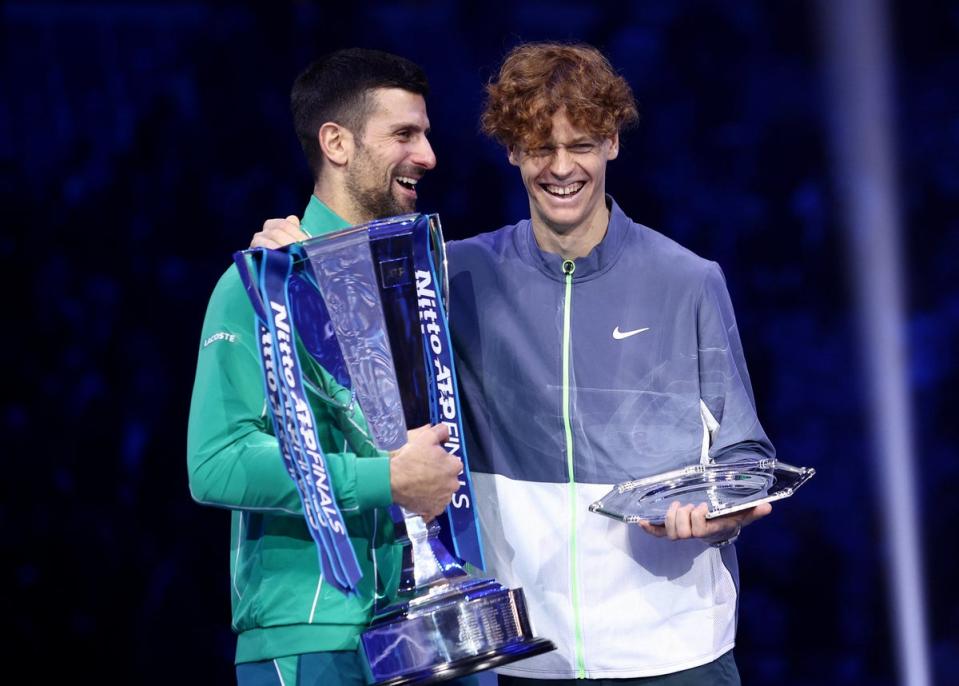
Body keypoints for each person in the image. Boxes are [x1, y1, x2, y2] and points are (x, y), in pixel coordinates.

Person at [255, 42, 775, 686]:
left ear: (612, 142)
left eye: (581, 145)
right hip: (528, 659)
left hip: (674, 653)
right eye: (539, 148)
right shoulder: (456, 274)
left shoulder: (688, 280)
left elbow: (745, 457)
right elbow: (362, 351)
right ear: (511, 150)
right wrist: (292, 261)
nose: (561, 168)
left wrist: (719, 513)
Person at [187, 48, 464, 686]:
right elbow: (217, 461)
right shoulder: (261, 284)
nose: (428, 156)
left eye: (425, 133)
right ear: (336, 142)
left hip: (433, 626)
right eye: (404, 134)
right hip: (313, 633)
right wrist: (385, 479)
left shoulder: (422, 281)